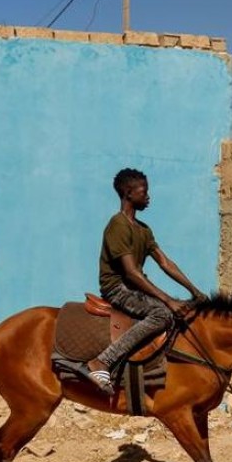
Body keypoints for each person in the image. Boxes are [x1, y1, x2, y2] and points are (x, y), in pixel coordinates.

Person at [84, 168, 206, 395]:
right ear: (129, 193)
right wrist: (168, 301)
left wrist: (194, 291)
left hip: (134, 286)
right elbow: (130, 273)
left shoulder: (143, 229)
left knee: (180, 310)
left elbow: (165, 262)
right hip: (117, 288)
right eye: (144, 192)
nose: (148, 197)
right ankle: (103, 361)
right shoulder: (117, 225)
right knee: (162, 313)